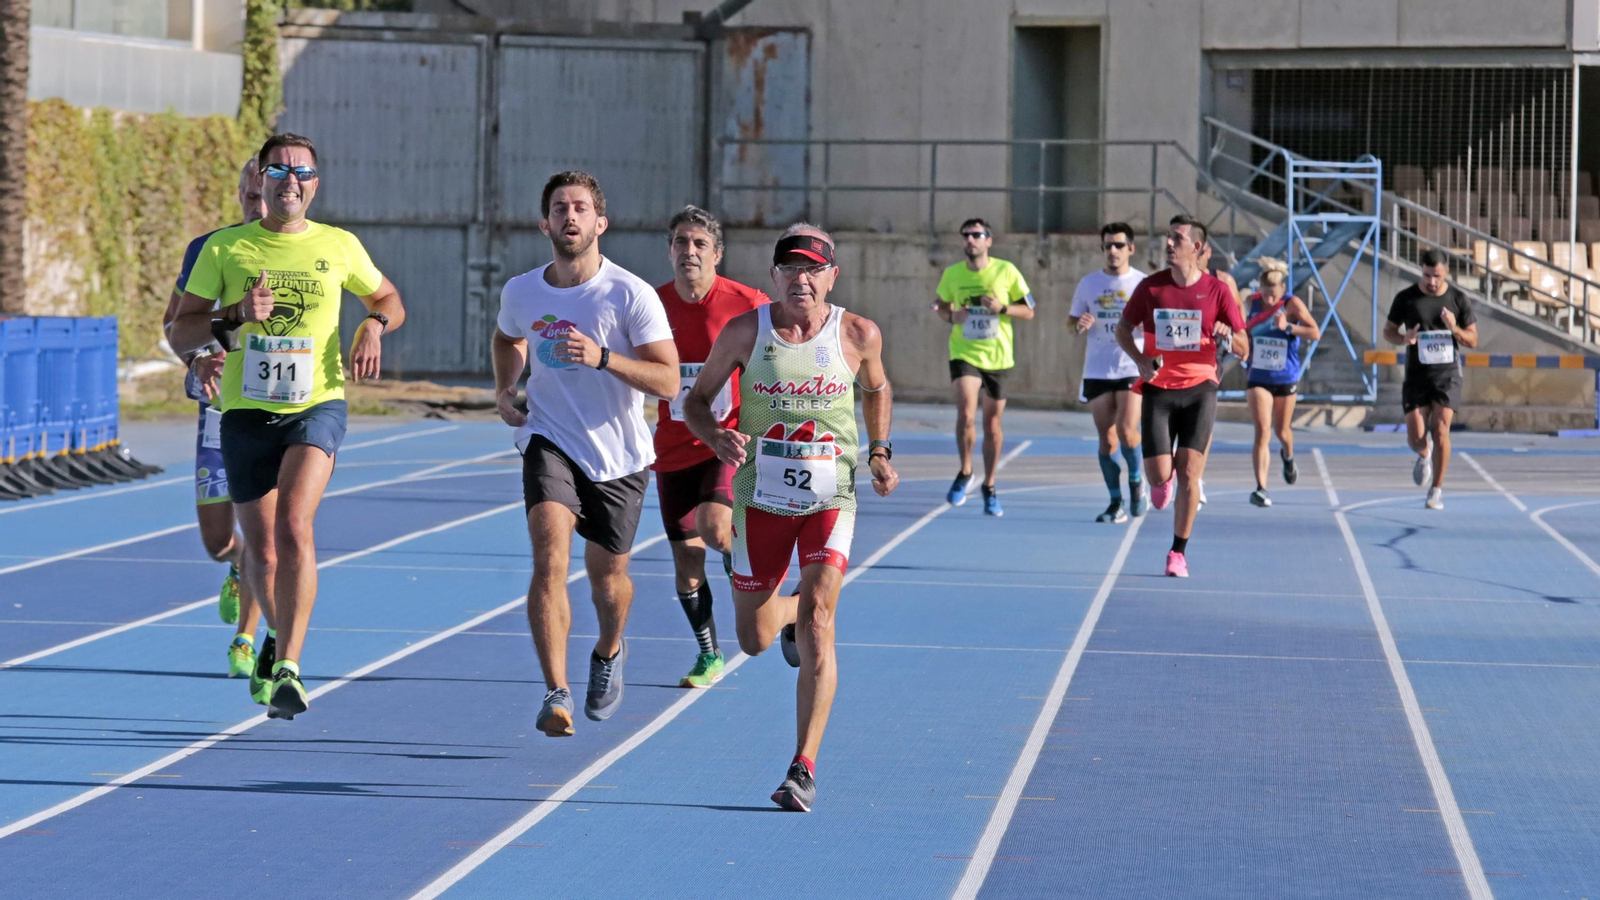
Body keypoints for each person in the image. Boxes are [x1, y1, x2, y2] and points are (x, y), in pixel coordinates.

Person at [171, 133, 406, 719]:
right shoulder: (224, 249)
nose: (291, 182)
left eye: (301, 173)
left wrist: (375, 324)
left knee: (295, 526)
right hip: (246, 412)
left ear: (315, 184)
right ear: (262, 180)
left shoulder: (339, 245)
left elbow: (389, 297)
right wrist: (231, 317)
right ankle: (276, 638)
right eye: (279, 172)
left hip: (316, 404)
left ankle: (289, 668)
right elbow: (181, 328)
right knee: (264, 553)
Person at [685, 224, 898, 812]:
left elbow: (878, 388)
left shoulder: (857, 334)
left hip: (831, 498)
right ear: (774, 276)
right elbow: (695, 402)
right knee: (753, 640)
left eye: (813, 269)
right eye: (790, 269)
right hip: (761, 501)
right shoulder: (744, 332)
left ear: (832, 276)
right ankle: (785, 619)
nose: (801, 279)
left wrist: (879, 451)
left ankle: (802, 767)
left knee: (821, 618)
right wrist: (718, 439)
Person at [492, 171, 679, 738]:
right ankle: (556, 691)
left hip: (617, 456)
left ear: (601, 222)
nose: (568, 217)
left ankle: (610, 647)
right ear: (544, 222)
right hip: (548, 438)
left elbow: (669, 381)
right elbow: (508, 339)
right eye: (558, 208)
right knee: (550, 558)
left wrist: (603, 359)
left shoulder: (630, 294)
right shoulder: (522, 291)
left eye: (579, 208)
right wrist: (506, 389)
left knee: (608, 580)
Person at [652, 206, 770, 688]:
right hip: (673, 447)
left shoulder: (747, 304)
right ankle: (709, 654)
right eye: (681, 242)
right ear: (670, 251)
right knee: (687, 564)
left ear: (717, 254)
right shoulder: (650, 305)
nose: (690, 251)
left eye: (700, 244)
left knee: (716, 527)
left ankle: (757, 583)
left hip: (727, 443)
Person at [161, 159, 268, 685]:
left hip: (274, 413)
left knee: (263, 529)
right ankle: (236, 564)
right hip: (217, 410)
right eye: (251, 196)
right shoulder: (210, 249)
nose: (260, 206)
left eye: (267, 195)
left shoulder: (309, 247)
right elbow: (174, 323)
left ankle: (246, 639)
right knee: (219, 541)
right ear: (240, 194)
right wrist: (196, 359)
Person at [1114, 215, 1247, 578]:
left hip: (1202, 387)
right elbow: (1123, 328)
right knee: (1159, 478)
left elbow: (1243, 345)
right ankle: (1163, 477)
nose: (1169, 243)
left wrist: (1227, 335)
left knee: (1191, 473)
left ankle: (1178, 552)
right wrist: (1141, 361)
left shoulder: (1218, 291)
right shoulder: (1151, 288)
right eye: (1168, 237)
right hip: (1158, 387)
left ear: (1198, 248)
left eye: (1177, 238)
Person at [932, 218, 1035, 516]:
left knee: (992, 424)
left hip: (999, 357)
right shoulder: (953, 274)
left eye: (977, 235)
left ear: (989, 240)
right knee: (966, 412)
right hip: (964, 352)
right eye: (966, 235)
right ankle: (965, 471)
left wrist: (1002, 308)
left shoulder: (1007, 271)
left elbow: (1029, 310)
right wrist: (952, 315)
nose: (971, 240)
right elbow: (939, 305)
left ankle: (989, 485)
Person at [1382, 250, 1477, 510]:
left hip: (1447, 375)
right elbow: (1388, 331)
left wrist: (1454, 327)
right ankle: (1424, 454)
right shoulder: (1407, 298)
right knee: (1416, 438)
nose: (1431, 281)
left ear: (1446, 272)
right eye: (1426, 275)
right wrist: (1404, 339)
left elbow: (1472, 339)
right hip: (1416, 375)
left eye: (1436, 276)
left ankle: (1436, 489)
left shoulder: (1458, 299)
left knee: (1441, 429)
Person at [1071, 223, 1148, 523]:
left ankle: (1136, 479)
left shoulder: (1143, 283)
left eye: (1118, 245)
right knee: (1107, 439)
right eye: (1107, 246)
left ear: (1131, 248)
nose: (1112, 251)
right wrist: (1079, 325)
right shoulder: (1089, 283)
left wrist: (1147, 329)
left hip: (1131, 364)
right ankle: (1115, 502)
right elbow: (1071, 323)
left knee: (1128, 431)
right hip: (1098, 368)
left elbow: (1159, 322)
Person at [1243, 258, 1320, 507]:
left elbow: (1314, 331)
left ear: (1282, 289)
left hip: (1285, 376)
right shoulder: (1251, 302)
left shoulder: (1292, 303)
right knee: (1262, 430)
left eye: (1273, 293)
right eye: (1265, 292)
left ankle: (1288, 457)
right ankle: (1261, 488)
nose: (1268, 298)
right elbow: (1242, 331)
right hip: (1258, 377)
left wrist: (1288, 328)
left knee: (1282, 432)